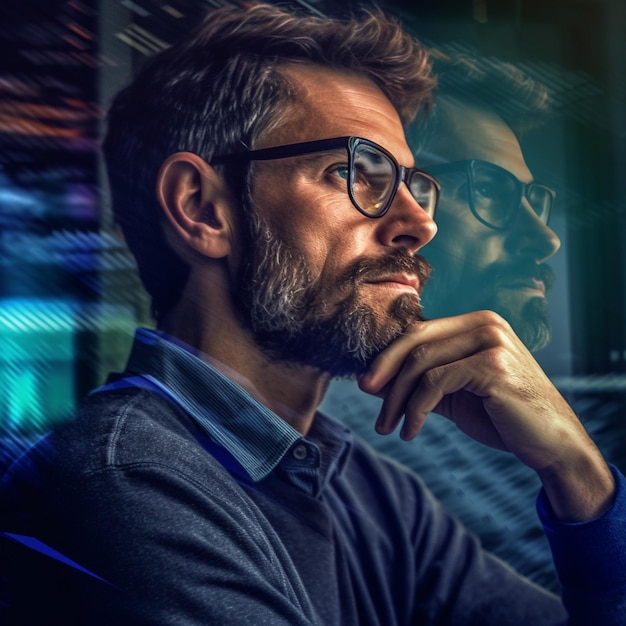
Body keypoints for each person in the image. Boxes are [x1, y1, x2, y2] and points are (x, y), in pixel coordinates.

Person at [1, 4, 624, 625]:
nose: (420, 224)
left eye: (412, 184)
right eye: (356, 172)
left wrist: (579, 477)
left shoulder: (369, 494)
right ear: (203, 209)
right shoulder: (123, 488)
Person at [321, 51, 566, 590]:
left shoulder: (504, 419)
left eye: (532, 199)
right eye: (486, 190)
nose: (546, 239)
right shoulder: (350, 447)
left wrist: (580, 477)